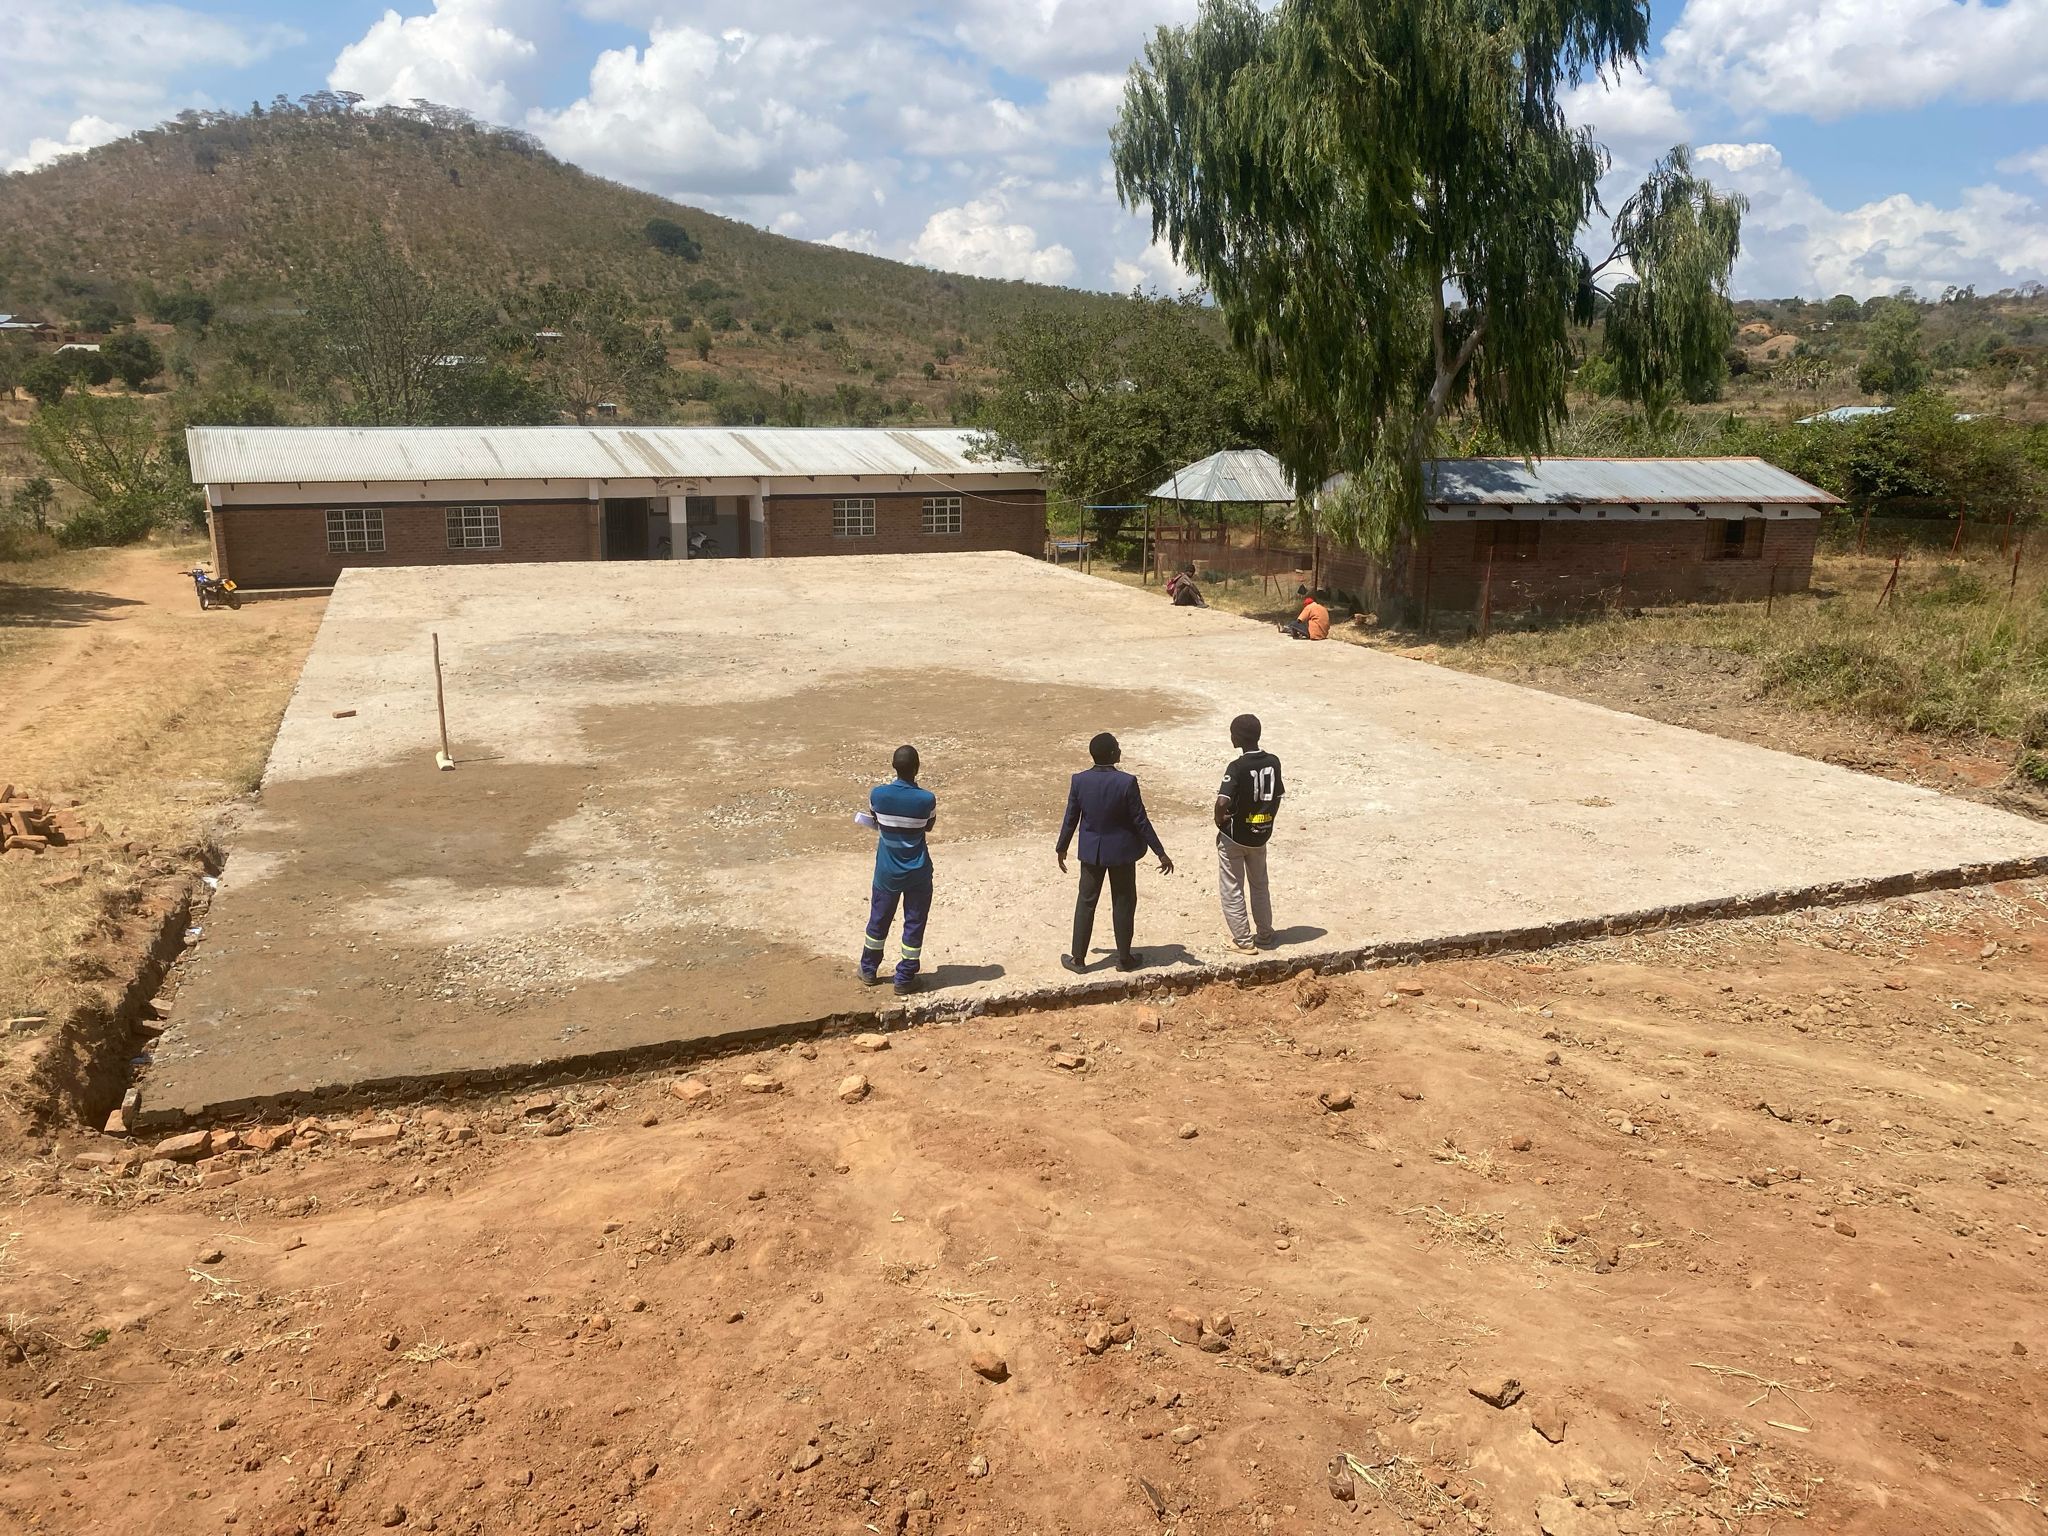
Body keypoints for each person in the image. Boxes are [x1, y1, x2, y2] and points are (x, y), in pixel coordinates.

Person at [1055, 732, 1174, 973]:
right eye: (1117, 748)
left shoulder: (1079, 780)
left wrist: (1062, 847)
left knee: (1086, 902)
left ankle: (1078, 959)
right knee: (1123, 902)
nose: (1120, 750)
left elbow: (1071, 818)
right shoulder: (1127, 781)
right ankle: (1124, 959)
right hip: (1122, 852)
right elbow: (1141, 820)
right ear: (1111, 754)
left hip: (1092, 853)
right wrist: (1159, 851)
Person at [855, 744, 937, 996]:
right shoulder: (926, 799)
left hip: (886, 872)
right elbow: (929, 826)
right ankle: (905, 977)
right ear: (917, 768)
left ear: (893, 767)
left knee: (879, 919)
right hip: (918, 872)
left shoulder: (877, 795)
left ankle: (869, 969)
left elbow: (876, 819)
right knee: (914, 922)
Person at [1214, 713, 1285, 953]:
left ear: (1237, 738)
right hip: (1260, 833)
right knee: (1259, 884)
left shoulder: (1237, 766)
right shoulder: (1274, 762)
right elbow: (1277, 796)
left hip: (1235, 835)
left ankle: (1243, 941)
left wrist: (1219, 820)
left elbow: (1223, 801)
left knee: (1232, 887)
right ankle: (1265, 934)